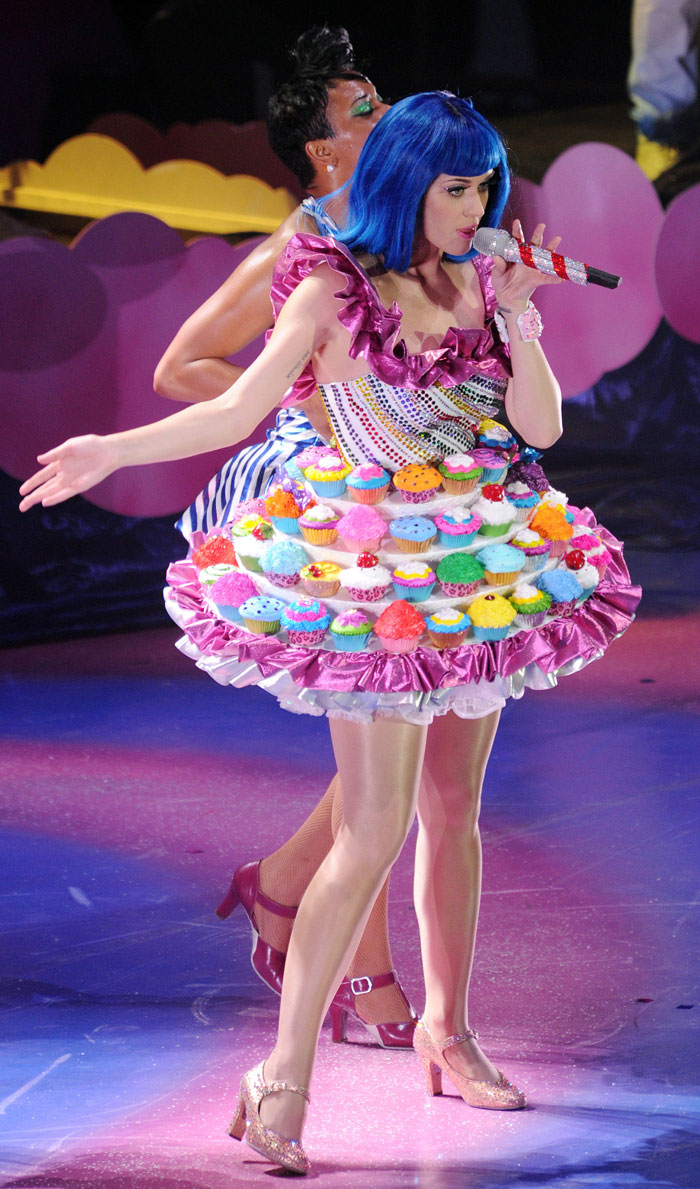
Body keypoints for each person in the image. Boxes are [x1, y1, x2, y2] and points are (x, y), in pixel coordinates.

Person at [20, 91, 639, 1175]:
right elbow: (232, 409)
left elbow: (537, 427)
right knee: (371, 828)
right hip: (369, 574)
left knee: (455, 811)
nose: (476, 206)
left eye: (486, 186)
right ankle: (282, 1072)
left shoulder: (484, 283)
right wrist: (112, 449)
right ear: (405, 184)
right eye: (456, 187)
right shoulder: (328, 288)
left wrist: (525, 314)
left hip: (477, 561)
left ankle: (447, 1030)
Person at [156, 26, 417, 1049]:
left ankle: (280, 884)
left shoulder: (407, 228)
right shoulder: (296, 245)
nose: (388, 114)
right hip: (327, 509)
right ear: (323, 148)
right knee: (386, 728)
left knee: (408, 726)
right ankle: (366, 971)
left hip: (406, 493)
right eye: (366, 108)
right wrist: (301, 403)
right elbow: (182, 366)